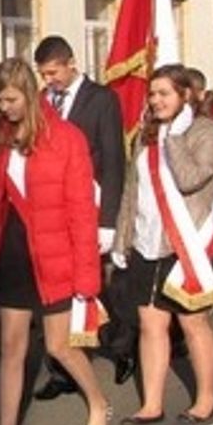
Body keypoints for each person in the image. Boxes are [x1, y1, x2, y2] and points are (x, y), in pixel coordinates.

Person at [0, 58, 108, 425]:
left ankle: (98, 404)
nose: (5, 108)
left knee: (58, 346)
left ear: (29, 95)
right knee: (11, 349)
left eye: (11, 100)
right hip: (12, 255)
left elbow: (81, 210)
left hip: (54, 256)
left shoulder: (66, 138)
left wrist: (88, 275)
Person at [114, 65, 213, 424]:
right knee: (150, 326)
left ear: (185, 95)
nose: (156, 100)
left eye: (164, 94)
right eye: (152, 94)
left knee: (192, 324)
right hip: (147, 241)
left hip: (184, 246)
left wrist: (172, 137)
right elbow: (133, 190)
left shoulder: (207, 133)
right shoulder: (145, 136)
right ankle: (152, 403)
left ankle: (206, 398)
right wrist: (122, 238)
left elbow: (190, 179)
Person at [32, 35, 130, 396]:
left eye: (53, 72)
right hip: (58, 214)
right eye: (43, 75)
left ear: (71, 63)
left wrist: (108, 219)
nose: (49, 81)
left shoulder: (101, 99)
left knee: (103, 287)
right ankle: (62, 370)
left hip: (94, 204)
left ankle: (122, 347)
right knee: (57, 291)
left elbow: (114, 161)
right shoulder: (43, 102)